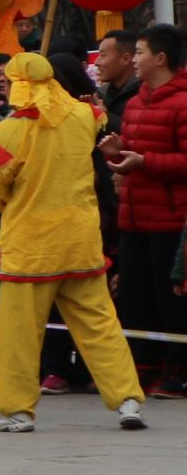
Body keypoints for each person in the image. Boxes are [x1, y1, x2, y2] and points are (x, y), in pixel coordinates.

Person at [0, 53, 147, 432]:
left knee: (19, 333)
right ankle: (128, 399)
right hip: (80, 240)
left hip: (30, 246)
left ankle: (15, 410)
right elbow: (100, 119)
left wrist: (18, 205)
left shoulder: (8, 132)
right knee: (99, 323)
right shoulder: (83, 118)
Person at [105, 24, 187, 396]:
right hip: (134, 216)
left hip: (170, 218)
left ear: (161, 58)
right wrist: (118, 152)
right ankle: (141, 367)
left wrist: (144, 161)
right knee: (135, 296)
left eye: (139, 52)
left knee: (168, 298)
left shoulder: (183, 102)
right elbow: (137, 156)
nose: (134, 60)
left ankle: (177, 369)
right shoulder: (136, 102)